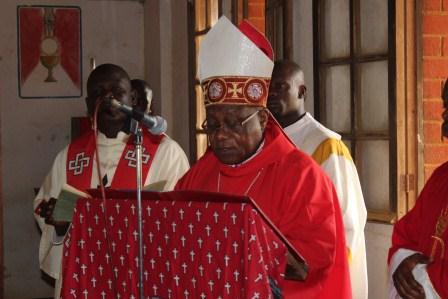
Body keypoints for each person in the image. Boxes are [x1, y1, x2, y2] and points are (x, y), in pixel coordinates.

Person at [175, 17, 351, 298]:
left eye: (234, 123)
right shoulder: (199, 175)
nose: (220, 136)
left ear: (263, 118)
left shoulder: (302, 177)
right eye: (213, 124)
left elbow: (313, 264)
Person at [33, 63, 190, 298]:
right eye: (98, 93)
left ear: (133, 98)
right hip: (83, 272)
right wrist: (58, 226)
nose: (107, 98)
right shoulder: (70, 156)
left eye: (116, 91)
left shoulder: (165, 153)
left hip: (140, 274)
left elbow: (181, 218)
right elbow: (44, 210)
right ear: (88, 105)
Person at [268, 60, 368, 299]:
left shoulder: (325, 145)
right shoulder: (265, 143)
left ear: (302, 91)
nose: (271, 94)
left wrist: (323, 278)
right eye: (266, 87)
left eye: (280, 87)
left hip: (316, 280)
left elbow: (348, 223)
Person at [388, 80, 448, 299]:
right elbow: (406, 234)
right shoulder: (442, 176)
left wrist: (423, 279)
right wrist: (403, 266)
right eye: (445, 107)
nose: (444, 116)